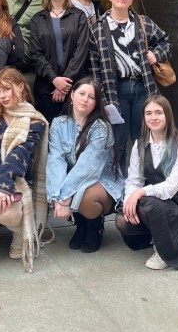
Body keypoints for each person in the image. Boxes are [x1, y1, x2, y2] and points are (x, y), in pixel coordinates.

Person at [0, 67, 50, 271]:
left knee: (4, 211)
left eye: (7, 89)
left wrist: (3, 186)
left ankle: (19, 232)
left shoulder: (34, 120)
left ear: (21, 87)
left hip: (15, 180)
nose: (2, 95)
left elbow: (21, 154)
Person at [89, 0, 171, 161]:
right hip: (115, 89)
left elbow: (166, 43)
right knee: (117, 141)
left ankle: (143, 175)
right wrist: (102, 98)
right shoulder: (97, 29)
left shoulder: (143, 23)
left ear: (132, 0)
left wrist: (156, 55)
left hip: (143, 87)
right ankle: (118, 177)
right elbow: (94, 68)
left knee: (143, 137)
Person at [115, 95, 178, 270]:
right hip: (153, 199)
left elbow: (171, 187)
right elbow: (134, 179)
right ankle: (154, 236)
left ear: (167, 115)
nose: (153, 117)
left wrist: (140, 193)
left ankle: (164, 249)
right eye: (148, 113)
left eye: (158, 113)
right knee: (122, 220)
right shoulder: (140, 145)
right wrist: (130, 200)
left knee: (148, 206)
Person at [46, 78, 122, 253]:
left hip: (101, 181)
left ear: (96, 103)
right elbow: (55, 160)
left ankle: (94, 227)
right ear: (72, 95)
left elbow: (88, 167)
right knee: (62, 182)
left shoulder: (102, 128)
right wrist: (57, 196)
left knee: (84, 195)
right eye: (81, 93)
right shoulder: (58, 124)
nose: (85, 99)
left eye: (91, 97)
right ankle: (81, 225)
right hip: (74, 180)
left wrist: (64, 198)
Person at [28, 0, 90, 122]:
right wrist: (54, 79)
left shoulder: (79, 16)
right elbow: (36, 54)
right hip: (45, 88)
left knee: (75, 130)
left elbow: (81, 51)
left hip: (75, 87)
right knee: (49, 131)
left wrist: (64, 83)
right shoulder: (37, 19)